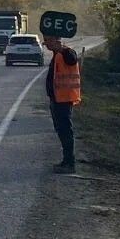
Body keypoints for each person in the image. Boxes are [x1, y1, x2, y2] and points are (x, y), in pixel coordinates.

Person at [44, 35, 82, 174]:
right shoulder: (57, 55)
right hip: (57, 99)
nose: (46, 45)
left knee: (65, 130)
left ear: (55, 41)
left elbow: (72, 58)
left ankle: (69, 162)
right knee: (61, 130)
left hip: (64, 99)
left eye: (47, 42)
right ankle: (66, 161)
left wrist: (62, 49)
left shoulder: (66, 53)